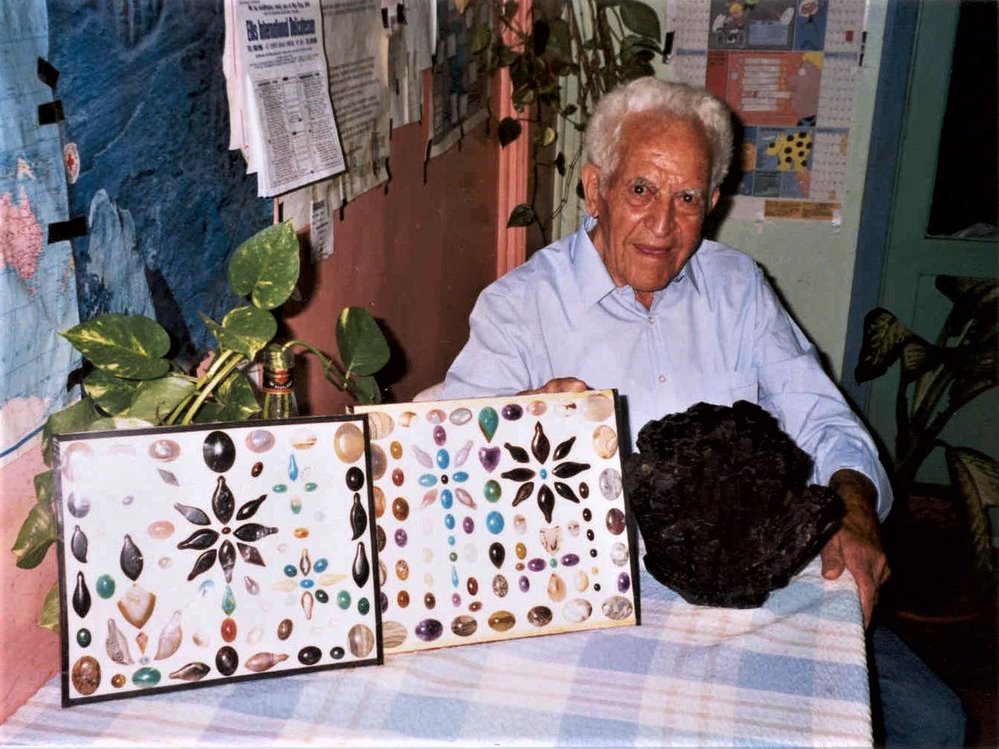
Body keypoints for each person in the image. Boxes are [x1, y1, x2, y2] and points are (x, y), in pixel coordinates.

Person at [441, 77, 965, 747]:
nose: (663, 224)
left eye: (686, 197)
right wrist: (516, 423)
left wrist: (855, 512)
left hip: (758, 583)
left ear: (712, 202)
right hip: (600, 602)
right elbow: (444, 455)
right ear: (594, 185)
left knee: (932, 722)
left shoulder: (736, 287)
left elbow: (824, 422)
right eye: (640, 190)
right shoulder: (518, 307)